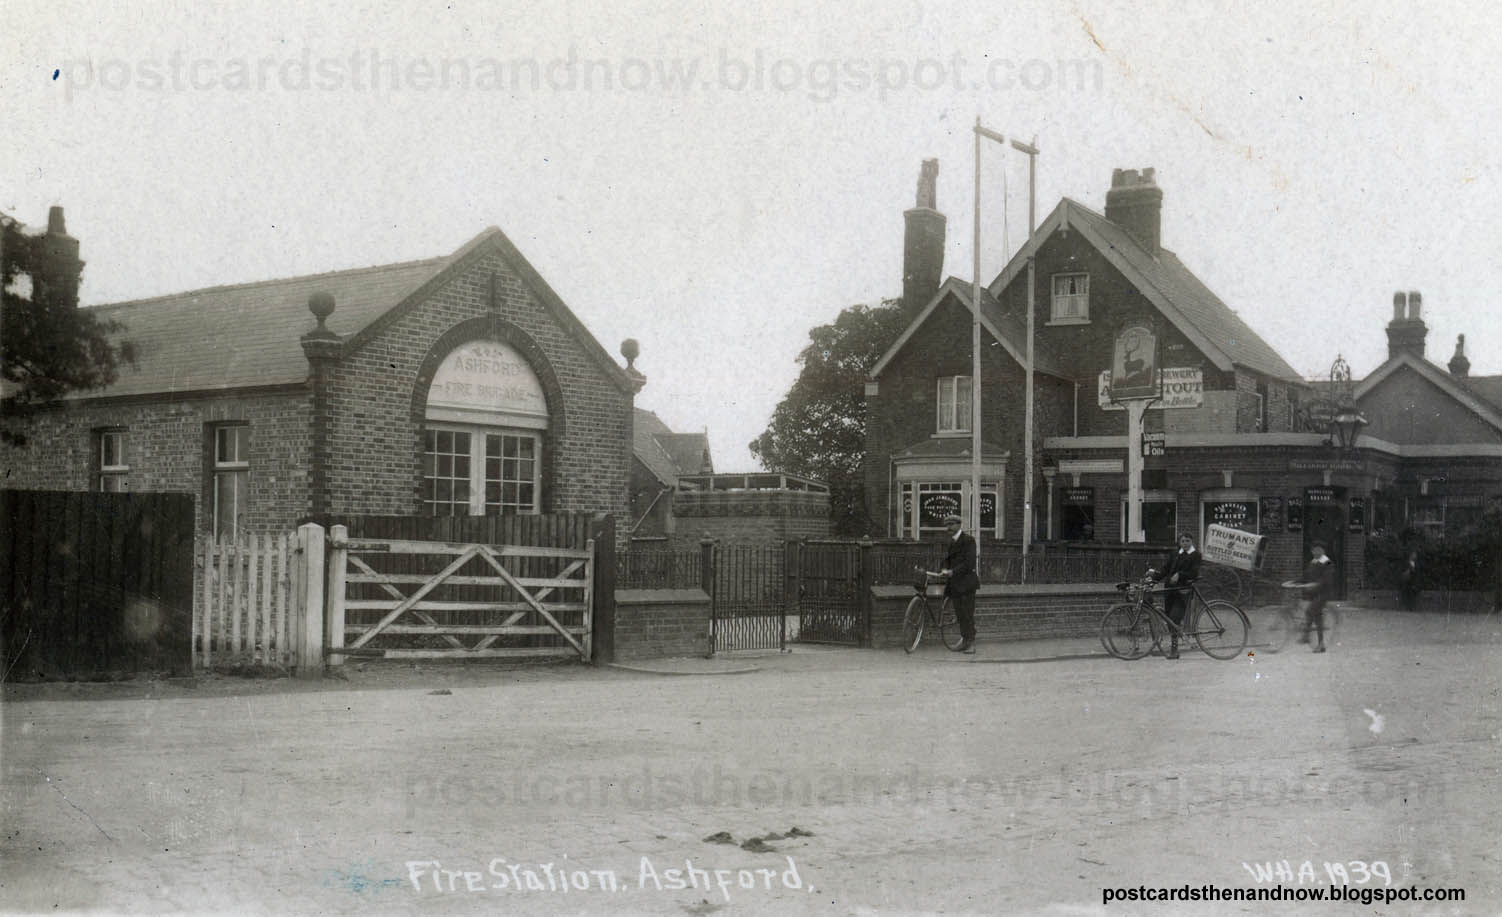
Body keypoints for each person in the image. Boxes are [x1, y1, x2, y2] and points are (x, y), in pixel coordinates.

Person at [1152, 533, 1201, 660]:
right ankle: (1176, 644)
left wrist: (1180, 574)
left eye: (1187, 541)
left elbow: (1194, 572)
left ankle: (1174, 650)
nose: (1185, 543)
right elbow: (1165, 569)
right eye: (1183, 541)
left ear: (1192, 542)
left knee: (1174, 618)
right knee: (1169, 619)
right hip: (1170, 590)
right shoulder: (1175, 554)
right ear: (1179, 542)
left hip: (1183, 591)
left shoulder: (1196, 555)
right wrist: (1153, 578)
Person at [940, 513, 980, 653]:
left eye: (951, 524)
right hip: (955, 584)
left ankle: (971, 644)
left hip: (967, 583)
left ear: (959, 525)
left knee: (968, 614)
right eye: (946, 525)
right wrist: (944, 568)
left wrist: (953, 571)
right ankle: (964, 640)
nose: (948, 527)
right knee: (959, 614)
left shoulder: (968, 540)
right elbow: (948, 559)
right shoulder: (951, 542)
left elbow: (969, 563)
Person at [1294, 540, 1337, 653]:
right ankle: (1321, 645)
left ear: (1323, 550)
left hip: (1324, 593)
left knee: (1310, 611)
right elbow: (1305, 576)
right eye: (1314, 549)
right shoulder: (1313, 562)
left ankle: (1306, 636)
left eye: (1319, 549)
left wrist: (1316, 584)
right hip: (1315, 594)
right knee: (1317, 618)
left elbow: (1327, 579)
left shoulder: (1327, 562)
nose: (1316, 551)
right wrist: (1294, 582)